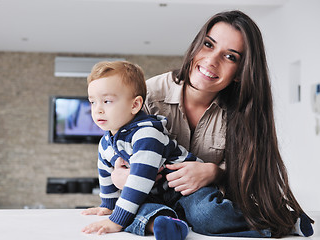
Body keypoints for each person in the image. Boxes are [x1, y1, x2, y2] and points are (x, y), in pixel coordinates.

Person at [111, 10, 314, 238]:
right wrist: (118, 175)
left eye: (230, 57)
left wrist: (215, 173)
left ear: (240, 72)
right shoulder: (147, 96)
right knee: (127, 212)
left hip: (203, 200)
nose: (211, 60)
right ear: (197, 44)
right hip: (150, 194)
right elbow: (114, 147)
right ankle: (166, 225)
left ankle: (283, 222)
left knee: (207, 216)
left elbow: (252, 172)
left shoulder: (243, 111)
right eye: (208, 45)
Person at [81, 60, 207, 240]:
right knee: (136, 209)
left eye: (107, 101)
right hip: (155, 196)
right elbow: (106, 174)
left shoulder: (146, 134)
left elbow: (140, 179)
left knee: (207, 214)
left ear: (135, 105)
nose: (97, 110)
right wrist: (109, 205)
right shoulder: (105, 143)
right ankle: (168, 225)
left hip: (187, 190)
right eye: (93, 102)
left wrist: (116, 221)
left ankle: (257, 225)